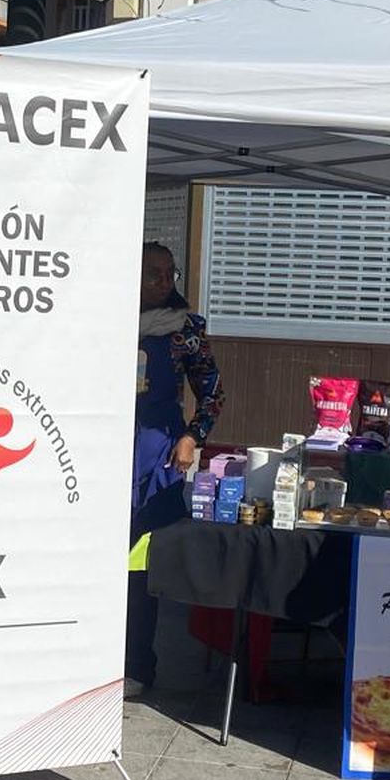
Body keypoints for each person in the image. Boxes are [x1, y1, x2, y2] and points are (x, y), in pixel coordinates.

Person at [127, 241, 224, 699]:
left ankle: (136, 666)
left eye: (170, 274)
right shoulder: (102, 318)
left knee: (137, 564)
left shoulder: (186, 329)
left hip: (156, 456)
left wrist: (192, 437)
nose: (165, 282)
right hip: (101, 452)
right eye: (154, 274)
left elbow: (213, 393)